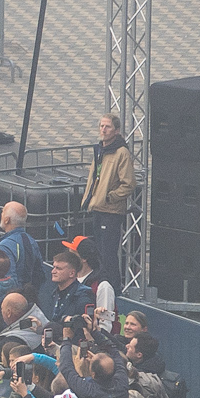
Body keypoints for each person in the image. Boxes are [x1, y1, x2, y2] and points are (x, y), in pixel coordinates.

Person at [82, 114, 133, 280]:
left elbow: (129, 184)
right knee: (98, 253)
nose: (103, 130)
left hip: (110, 211)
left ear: (116, 131)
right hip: (97, 207)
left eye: (108, 127)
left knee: (108, 255)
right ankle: (101, 284)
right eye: (101, 126)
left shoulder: (121, 153)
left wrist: (110, 197)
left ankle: (113, 288)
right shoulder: (100, 149)